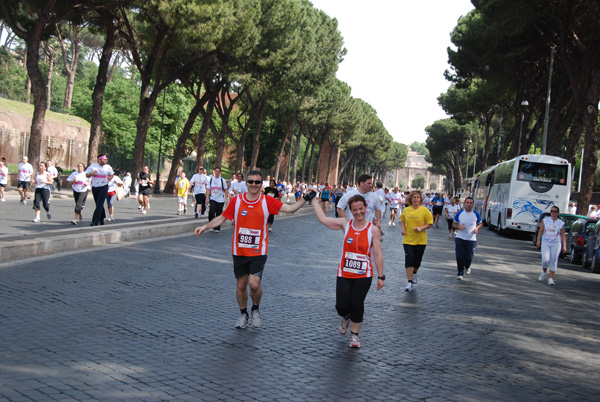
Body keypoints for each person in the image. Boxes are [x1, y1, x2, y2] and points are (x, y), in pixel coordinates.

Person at [194, 170, 309, 329]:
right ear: (246, 183)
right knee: (241, 285)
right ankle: (243, 314)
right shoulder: (237, 201)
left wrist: (305, 197)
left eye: (257, 182)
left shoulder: (267, 201)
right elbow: (222, 217)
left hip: (258, 251)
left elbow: (291, 209)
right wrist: (205, 226)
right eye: (251, 182)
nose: (254, 185)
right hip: (239, 251)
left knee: (254, 284)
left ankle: (255, 309)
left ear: (261, 185)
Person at [309, 193, 384, 348]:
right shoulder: (345, 224)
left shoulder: (373, 230)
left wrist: (381, 276)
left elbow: (377, 253)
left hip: (364, 274)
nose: (358, 212)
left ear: (366, 209)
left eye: (361, 209)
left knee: (357, 304)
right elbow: (323, 219)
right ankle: (346, 316)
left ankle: (355, 336)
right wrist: (313, 200)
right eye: (354, 210)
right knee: (341, 306)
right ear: (350, 211)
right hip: (344, 272)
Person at [400, 190, 433, 291]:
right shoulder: (406, 210)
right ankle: (409, 282)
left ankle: (414, 273)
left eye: (418, 197)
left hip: (420, 240)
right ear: (411, 199)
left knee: (417, 262)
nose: (416, 199)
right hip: (408, 240)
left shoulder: (425, 211)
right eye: (414, 197)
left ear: (420, 199)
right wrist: (403, 229)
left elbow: (430, 223)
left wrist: (422, 227)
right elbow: (403, 220)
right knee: (409, 260)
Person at [452, 197, 483, 280]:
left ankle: (467, 266)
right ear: (464, 203)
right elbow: (453, 224)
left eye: (471, 203)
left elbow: (480, 223)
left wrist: (477, 228)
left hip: (471, 239)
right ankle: (460, 272)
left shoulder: (476, 214)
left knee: (468, 257)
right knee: (459, 256)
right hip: (460, 238)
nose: (469, 204)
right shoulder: (460, 213)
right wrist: (458, 227)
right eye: (467, 202)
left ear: (473, 204)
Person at [536, 206, 567, 286]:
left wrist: (564, 245)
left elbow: (562, 235)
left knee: (554, 259)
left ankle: (551, 278)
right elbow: (541, 231)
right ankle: (544, 271)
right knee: (545, 260)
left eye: (555, 211)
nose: (553, 213)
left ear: (557, 213)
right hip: (546, 242)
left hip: (556, 243)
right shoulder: (545, 221)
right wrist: (538, 240)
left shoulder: (560, 223)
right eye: (551, 211)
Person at [85, 154, 114, 226]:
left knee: (99, 204)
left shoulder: (108, 167)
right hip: (95, 187)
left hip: (104, 187)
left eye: (106, 160)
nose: (106, 161)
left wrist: (110, 178)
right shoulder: (93, 166)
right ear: (99, 160)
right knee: (98, 204)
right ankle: (101, 218)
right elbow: (86, 175)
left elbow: (112, 174)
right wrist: (92, 173)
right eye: (104, 159)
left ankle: (95, 221)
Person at [207, 167, 228, 232]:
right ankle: (210, 225)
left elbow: (225, 189)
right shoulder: (211, 180)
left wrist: (226, 199)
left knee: (218, 213)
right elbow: (208, 189)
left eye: (218, 171)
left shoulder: (222, 180)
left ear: (220, 172)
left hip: (220, 199)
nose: (217, 172)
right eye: (216, 171)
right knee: (211, 211)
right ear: (214, 172)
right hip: (213, 198)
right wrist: (207, 198)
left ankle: (217, 227)